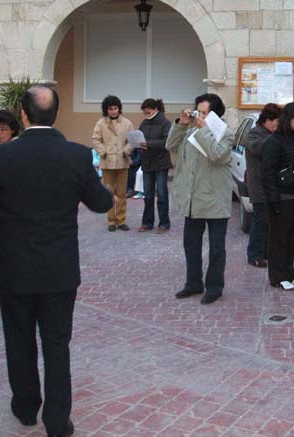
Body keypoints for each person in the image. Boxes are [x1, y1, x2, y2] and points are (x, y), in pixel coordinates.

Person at [0, 85, 113, 437]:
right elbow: (101, 203)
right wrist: (105, 191)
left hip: (16, 269)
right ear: (55, 114)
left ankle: (26, 407)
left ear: (24, 116)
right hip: (59, 270)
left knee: (19, 340)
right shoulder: (77, 156)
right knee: (57, 345)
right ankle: (57, 423)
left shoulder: (1, 157)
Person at [167, 93, 235, 305]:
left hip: (214, 199)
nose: (199, 116)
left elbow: (217, 155)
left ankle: (215, 287)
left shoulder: (226, 134)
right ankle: (193, 283)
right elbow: (171, 146)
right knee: (191, 245)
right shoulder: (191, 131)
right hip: (192, 199)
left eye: (204, 113)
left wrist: (204, 129)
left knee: (216, 249)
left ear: (214, 115)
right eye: (199, 112)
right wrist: (181, 124)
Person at [261, 102, 294, 290]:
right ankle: (277, 276)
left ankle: (290, 273)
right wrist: (273, 199)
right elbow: (267, 172)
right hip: (282, 197)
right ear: (287, 119)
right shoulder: (275, 141)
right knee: (278, 239)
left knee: (291, 238)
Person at [243, 103, 281, 267]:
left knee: (270, 222)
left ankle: (266, 252)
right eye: (276, 122)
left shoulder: (271, 134)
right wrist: (277, 137)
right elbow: (259, 148)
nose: (278, 125)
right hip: (259, 186)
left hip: (272, 186)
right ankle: (254, 255)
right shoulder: (254, 133)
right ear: (267, 120)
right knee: (260, 221)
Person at [92, 95, 134, 231]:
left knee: (121, 193)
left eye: (115, 108)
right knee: (108, 193)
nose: (113, 111)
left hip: (122, 161)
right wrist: (103, 151)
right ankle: (111, 221)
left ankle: (121, 220)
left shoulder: (127, 123)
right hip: (107, 162)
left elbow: (132, 140)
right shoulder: (100, 123)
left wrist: (126, 151)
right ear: (106, 110)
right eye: (110, 109)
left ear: (119, 108)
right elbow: (95, 139)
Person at [137, 98, 172, 234]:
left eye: (148, 112)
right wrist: (137, 143)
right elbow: (140, 137)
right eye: (144, 113)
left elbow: (167, 142)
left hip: (161, 163)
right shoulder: (144, 123)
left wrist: (149, 144)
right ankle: (147, 223)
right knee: (147, 195)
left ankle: (164, 223)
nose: (146, 115)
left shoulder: (165, 123)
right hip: (147, 162)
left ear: (156, 109)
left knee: (162, 194)